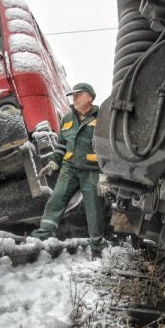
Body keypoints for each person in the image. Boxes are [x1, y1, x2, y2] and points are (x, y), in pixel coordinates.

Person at [30, 83, 105, 257]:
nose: (75, 98)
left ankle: (97, 248)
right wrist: (53, 162)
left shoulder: (103, 117)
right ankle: (42, 236)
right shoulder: (67, 118)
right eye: (73, 95)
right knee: (56, 199)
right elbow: (61, 145)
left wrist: (106, 175)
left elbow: (109, 146)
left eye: (79, 95)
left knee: (94, 209)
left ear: (90, 97)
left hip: (92, 170)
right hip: (69, 168)